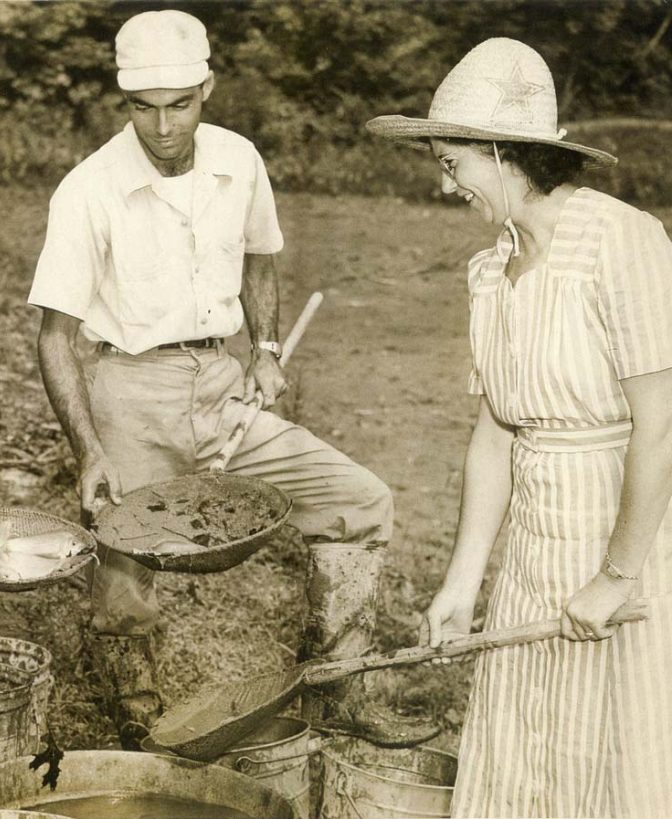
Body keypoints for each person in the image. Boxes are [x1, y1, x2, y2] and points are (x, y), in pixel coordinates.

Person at [29, 9, 437, 751]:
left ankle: (337, 690)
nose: (161, 126)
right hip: (131, 393)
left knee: (360, 500)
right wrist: (91, 450)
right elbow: (54, 336)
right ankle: (141, 738)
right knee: (122, 582)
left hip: (223, 388)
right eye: (143, 107)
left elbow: (258, 257)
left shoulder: (239, 161)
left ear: (207, 87)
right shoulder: (87, 189)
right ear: (123, 100)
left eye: (179, 104)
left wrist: (268, 348)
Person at [368, 37, 672, 817]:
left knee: (617, 749)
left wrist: (615, 575)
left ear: (502, 151)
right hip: (537, 544)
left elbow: (662, 425)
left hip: (629, 533)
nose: (447, 187)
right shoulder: (489, 272)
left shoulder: (622, 241)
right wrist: (464, 582)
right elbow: (497, 434)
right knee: (528, 741)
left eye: (452, 165)